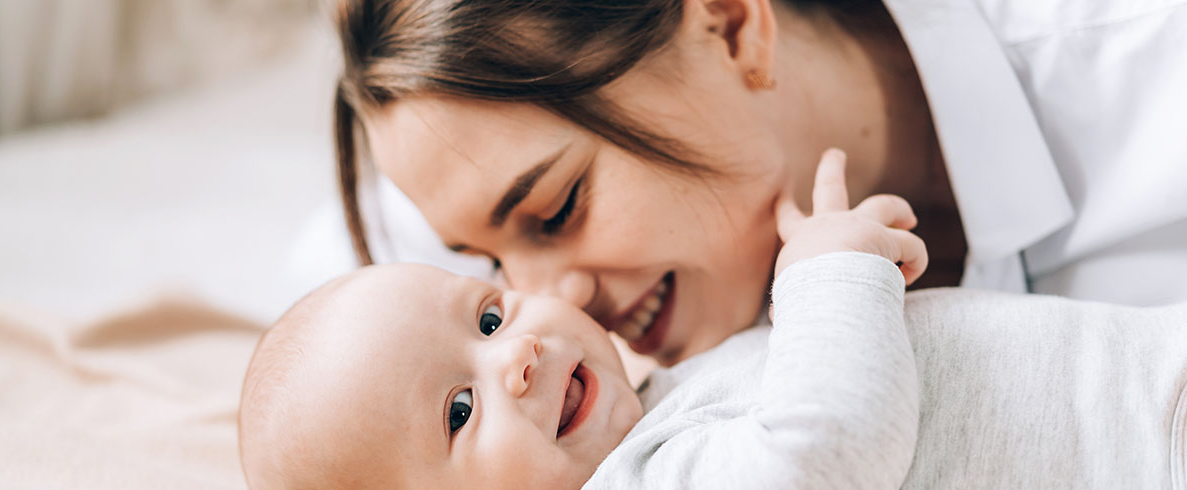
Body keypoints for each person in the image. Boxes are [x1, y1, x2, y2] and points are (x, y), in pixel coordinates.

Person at [329, 0, 1187, 367]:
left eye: (557, 211)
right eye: (490, 266)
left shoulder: (1150, 67)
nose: (553, 310)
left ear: (732, 26)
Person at [239, 159, 1187, 489]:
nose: (516, 358)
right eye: (458, 410)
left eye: (487, 317)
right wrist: (826, 277)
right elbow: (824, 449)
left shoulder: (655, 414)